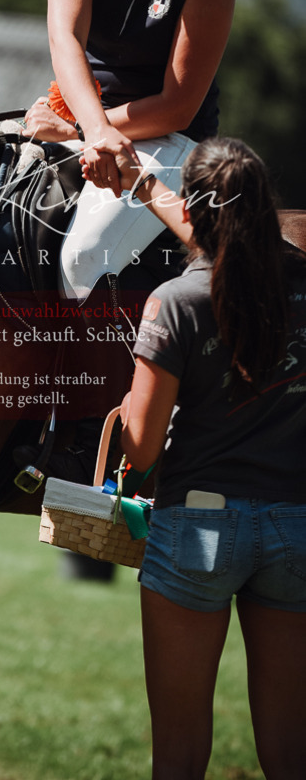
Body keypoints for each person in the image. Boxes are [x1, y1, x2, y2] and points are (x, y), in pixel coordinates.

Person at [115, 138, 306, 780]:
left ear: (194, 210)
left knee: (179, 750)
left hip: (197, 530)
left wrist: (131, 406)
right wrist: (148, 186)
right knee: (292, 750)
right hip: (297, 525)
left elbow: (141, 450)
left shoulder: (175, 301)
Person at [24, 0, 236, 303]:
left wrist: (82, 132)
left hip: (170, 138)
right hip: (90, 120)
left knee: (85, 257)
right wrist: (91, 128)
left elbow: (176, 106)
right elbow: (65, 39)